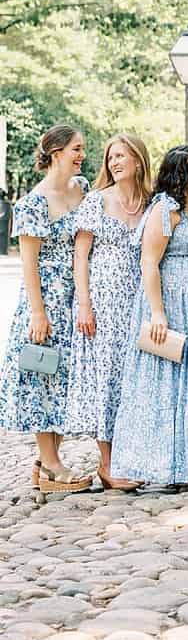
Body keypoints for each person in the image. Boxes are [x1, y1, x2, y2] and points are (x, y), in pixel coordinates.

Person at [110, 144, 188, 489]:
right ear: (182, 176)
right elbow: (149, 263)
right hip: (173, 306)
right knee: (166, 387)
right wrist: (157, 314)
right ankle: (165, 466)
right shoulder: (165, 210)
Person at [3, 125, 92, 493]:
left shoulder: (82, 188)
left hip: (76, 295)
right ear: (56, 152)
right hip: (46, 300)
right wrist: (38, 313)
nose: (81, 154)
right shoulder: (32, 204)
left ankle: (47, 462)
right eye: (76, 148)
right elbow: (29, 264)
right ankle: (51, 464)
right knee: (43, 375)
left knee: (64, 378)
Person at [64, 132, 150, 491]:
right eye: (111, 158)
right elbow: (81, 255)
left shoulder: (152, 202)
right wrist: (84, 304)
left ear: (138, 160)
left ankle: (135, 456)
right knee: (107, 381)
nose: (115, 163)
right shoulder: (96, 202)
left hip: (140, 302)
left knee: (136, 378)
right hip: (102, 302)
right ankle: (107, 463)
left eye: (121, 156)